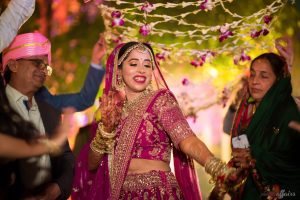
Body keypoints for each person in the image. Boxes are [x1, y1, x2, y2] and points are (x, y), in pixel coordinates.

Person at [72, 42, 244, 200]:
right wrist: (106, 130)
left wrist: (218, 169)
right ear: (118, 70)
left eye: (147, 65)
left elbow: (187, 140)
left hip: (156, 191)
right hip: (122, 195)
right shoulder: (111, 112)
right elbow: (92, 164)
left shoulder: (161, 100)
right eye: (133, 64)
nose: (141, 70)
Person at [0, 32, 104, 200]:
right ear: (12, 65)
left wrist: (57, 188)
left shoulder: (49, 109)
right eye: (37, 63)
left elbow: (65, 158)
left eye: (45, 67)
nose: (43, 71)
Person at [215, 51, 300, 199]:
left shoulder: (289, 112)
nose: (254, 81)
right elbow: (239, 157)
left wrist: (255, 155)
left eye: (264, 76)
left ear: (278, 81)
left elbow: (292, 165)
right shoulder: (245, 117)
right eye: (252, 74)